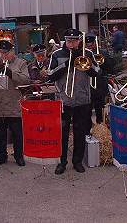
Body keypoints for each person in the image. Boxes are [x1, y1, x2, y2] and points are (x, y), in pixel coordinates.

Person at [48, 29, 99, 175]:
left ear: (79, 41)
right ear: (65, 40)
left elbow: (97, 71)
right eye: (69, 41)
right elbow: (50, 75)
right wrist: (66, 65)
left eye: (75, 41)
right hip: (63, 100)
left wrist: (85, 63)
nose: (72, 43)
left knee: (80, 131)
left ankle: (77, 161)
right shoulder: (57, 55)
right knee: (62, 133)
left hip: (82, 99)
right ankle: (62, 162)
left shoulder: (87, 54)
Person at [0, 39, 30, 166]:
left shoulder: (21, 63)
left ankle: (19, 156)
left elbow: (26, 80)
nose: (3, 55)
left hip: (14, 104)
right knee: (0, 135)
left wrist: (11, 74)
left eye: (6, 53)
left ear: (12, 51)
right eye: (1, 52)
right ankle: (1, 157)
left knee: (17, 134)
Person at [85, 33, 115, 124]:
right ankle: (88, 130)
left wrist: (102, 62)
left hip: (100, 85)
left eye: (92, 44)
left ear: (95, 43)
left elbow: (110, 68)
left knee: (100, 107)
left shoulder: (103, 53)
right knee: (87, 110)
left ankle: (100, 126)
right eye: (87, 45)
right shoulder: (83, 54)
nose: (90, 46)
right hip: (87, 85)